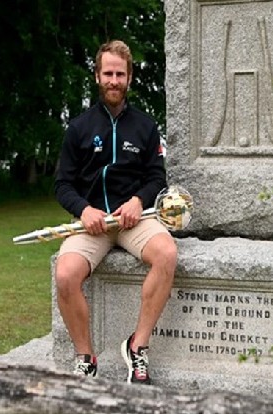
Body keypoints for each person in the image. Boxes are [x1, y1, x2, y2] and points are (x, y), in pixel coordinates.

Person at [53, 40, 177, 384]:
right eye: (107, 73)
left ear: (130, 77)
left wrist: (138, 201)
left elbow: (156, 177)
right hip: (92, 223)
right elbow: (62, 185)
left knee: (167, 253)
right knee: (65, 275)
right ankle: (85, 358)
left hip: (133, 220)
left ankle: (138, 347)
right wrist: (84, 210)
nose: (113, 80)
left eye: (119, 74)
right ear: (97, 76)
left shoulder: (146, 126)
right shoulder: (78, 127)